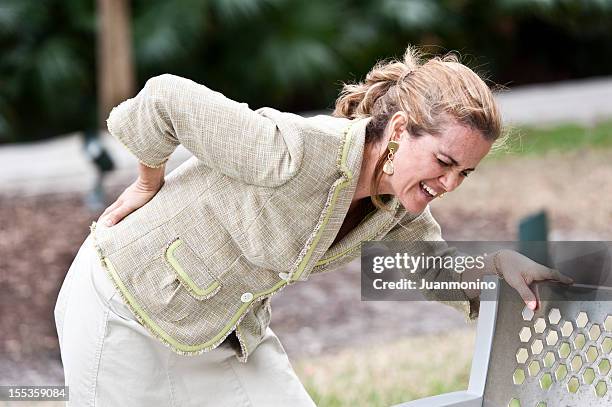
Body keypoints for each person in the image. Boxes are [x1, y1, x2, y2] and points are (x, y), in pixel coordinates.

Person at [53, 46, 572, 406]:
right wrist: (148, 180)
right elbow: (164, 99)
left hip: (222, 334)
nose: (451, 182)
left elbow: (434, 271)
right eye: (443, 161)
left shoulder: (393, 211)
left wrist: (500, 268)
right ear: (396, 132)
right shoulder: (293, 152)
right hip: (121, 308)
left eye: (464, 172)